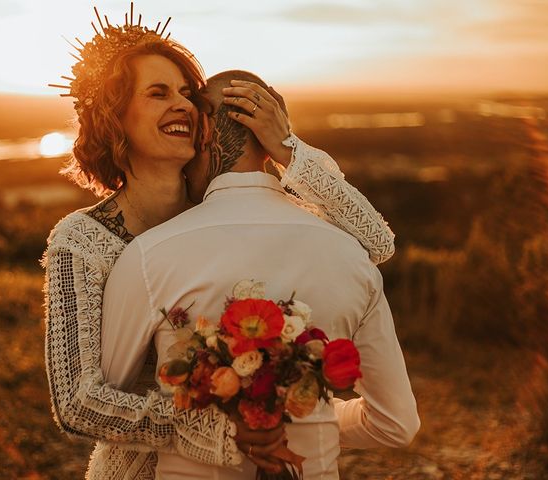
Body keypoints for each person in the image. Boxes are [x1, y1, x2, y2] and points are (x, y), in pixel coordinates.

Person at [43, 7, 397, 479]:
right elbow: (77, 404)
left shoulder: (222, 217)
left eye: (188, 94)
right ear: (115, 118)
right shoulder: (81, 241)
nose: (184, 105)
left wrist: (287, 147)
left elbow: (374, 242)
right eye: (158, 93)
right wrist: (220, 426)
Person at [101, 69, 420, 479]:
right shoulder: (350, 255)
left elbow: (107, 403)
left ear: (203, 138)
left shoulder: (148, 254)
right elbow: (396, 422)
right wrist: (309, 419)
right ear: (272, 142)